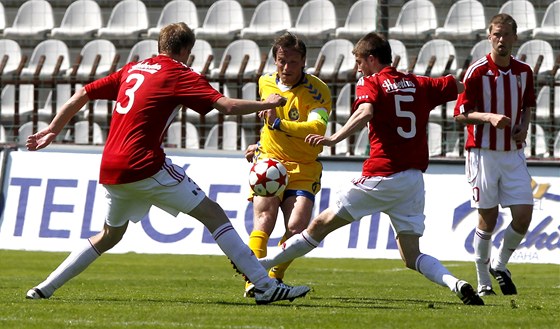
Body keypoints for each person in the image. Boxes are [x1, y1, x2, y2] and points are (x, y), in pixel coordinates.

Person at [24, 22, 309, 305]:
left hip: (111, 168)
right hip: (145, 164)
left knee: (109, 236)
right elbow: (227, 107)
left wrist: (52, 129)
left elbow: (83, 93)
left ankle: (44, 288)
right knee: (214, 214)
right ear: (186, 49)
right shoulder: (178, 73)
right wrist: (267, 104)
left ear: (159, 46)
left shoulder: (134, 68)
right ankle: (264, 285)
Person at [256, 32, 485, 306]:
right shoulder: (418, 82)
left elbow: (365, 112)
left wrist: (334, 138)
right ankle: (456, 283)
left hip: (382, 174)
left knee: (318, 225)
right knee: (412, 256)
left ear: (372, 59)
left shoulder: (372, 82)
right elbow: (459, 86)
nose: (358, 69)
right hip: (412, 181)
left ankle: (263, 263)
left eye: (359, 61)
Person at [242, 32, 332, 297]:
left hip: (304, 166)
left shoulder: (318, 90)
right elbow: (265, 121)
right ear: (274, 60)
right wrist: (259, 144)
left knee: (297, 228)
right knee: (264, 219)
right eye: (281, 61)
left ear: (304, 61)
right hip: (270, 161)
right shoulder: (265, 82)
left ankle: (273, 277)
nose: (286, 68)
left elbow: (317, 126)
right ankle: (253, 281)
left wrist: (278, 123)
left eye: (293, 62)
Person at [454, 13, 536, 297]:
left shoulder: (524, 71)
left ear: (515, 38)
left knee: (524, 214)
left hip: (513, 154)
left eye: (506, 35)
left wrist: (523, 129)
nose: (501, 40)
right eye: (496, 35)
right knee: (487, 220)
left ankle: (499, 265)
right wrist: (488, 117)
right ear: (489, 37)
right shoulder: (476, 72)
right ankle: (483, 282)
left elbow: (527, 107)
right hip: (483, 153)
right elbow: (460, 115)